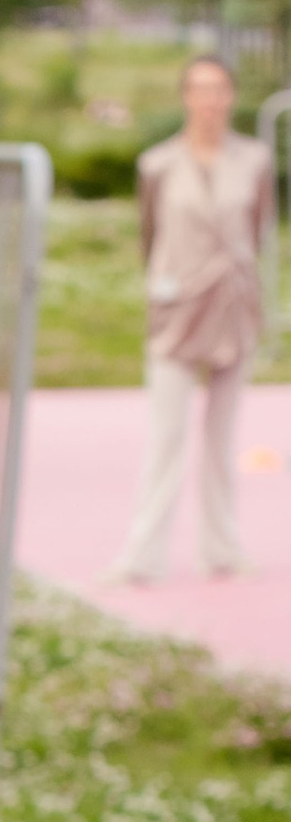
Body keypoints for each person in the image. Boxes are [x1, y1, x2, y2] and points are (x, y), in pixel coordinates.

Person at [116, 53, 272, 584]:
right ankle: (142, 556)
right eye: (200, 89)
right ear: (185, 96)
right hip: (177, 312)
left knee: (221, 440)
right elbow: (148, 235)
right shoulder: (157, 165)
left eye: (220, 88)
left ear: (231, 95)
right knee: (166, 437)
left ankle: (222, 548)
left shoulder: (253, 160)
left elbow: (257, 232)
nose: (210, 100)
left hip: (234, 310)